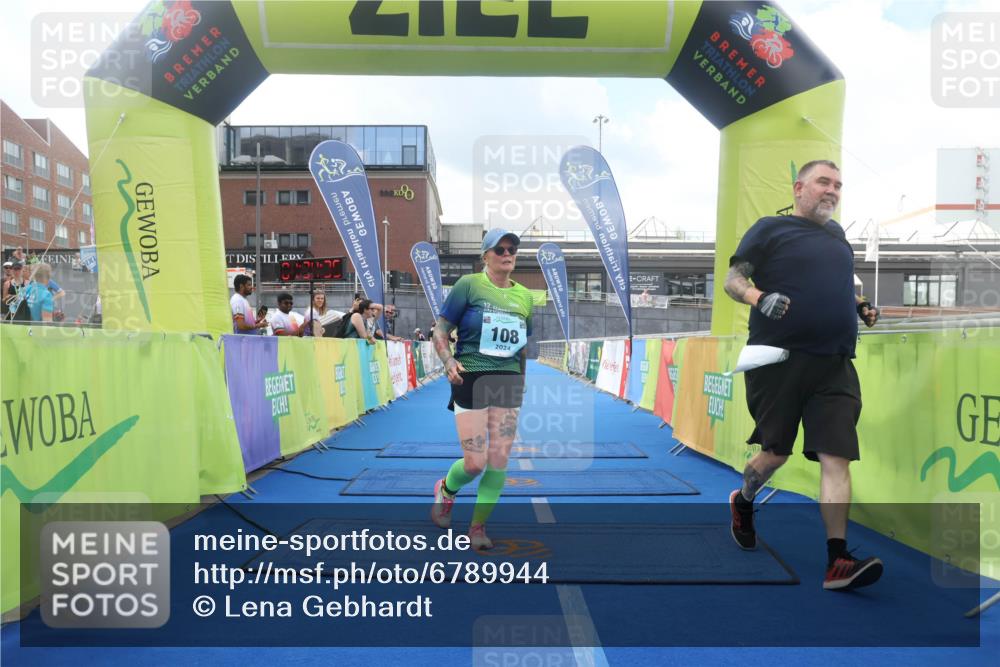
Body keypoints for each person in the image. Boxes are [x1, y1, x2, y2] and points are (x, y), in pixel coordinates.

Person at [724, 159, 882, 591]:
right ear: (799, 188)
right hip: (778, 361)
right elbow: (732, 279)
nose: (832, 190)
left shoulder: (838, 237)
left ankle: (838, 561)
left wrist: (860, 307)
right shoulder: (769, 229)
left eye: (838, 185)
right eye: (823, 182)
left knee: (837, 456)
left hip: (834, 363)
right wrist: (759, 297)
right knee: (775, 454)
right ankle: (744, 500)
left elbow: (843, 286)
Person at [429, 229, 534, 550]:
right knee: (475, 462)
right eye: (500, 249)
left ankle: (477, 527)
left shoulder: (526, 297)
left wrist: (522, 381)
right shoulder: (469, 285)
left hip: (508, 382)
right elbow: (441, 330)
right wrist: (448, 361)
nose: (507, 254)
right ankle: (446, 489)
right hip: (471, 377)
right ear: (485, 255)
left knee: (499, 457)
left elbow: (522, 347)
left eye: (512, 249)